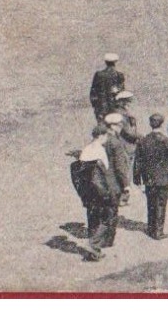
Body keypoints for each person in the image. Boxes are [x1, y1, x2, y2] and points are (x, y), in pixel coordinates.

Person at [132, 113, 168, 239]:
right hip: (163, 178)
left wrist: (136, 177)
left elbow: (137, 160)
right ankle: (158, 231)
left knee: (151, 203)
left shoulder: (143, 141)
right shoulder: (167, 141)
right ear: (162, 124)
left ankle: (151, 228)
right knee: (161, 204)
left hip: (149, 177)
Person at [72, 124, 120, 258]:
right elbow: (105, 172)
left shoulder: (86, 149)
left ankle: (96, 249)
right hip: (100, 189)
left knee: (92, 217)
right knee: (107, 217)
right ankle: (94, 244)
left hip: (87, 190)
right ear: (101, 136)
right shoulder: (100, 150)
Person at [102, 113, 133, 205]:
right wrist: (126, 185)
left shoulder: (102, 138)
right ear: (113, 126)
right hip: (114, 181)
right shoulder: (115, 142)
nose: (121, 128)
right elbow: (119, 167)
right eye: (119, 125)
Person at [89, 53, 124, 121]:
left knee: (102, 129)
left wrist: (96, 107)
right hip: (115, 109)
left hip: (101, 109)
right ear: (115, 62)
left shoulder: (99, 75)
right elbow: (122, 94)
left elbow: (93, 93)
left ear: (105, 62)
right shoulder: (119, 75)